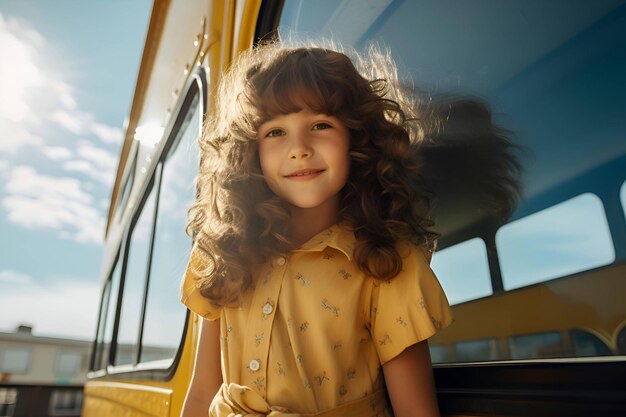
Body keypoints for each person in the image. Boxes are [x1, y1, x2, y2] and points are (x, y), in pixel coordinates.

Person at [180, 41, 453, 417]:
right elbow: (201, 394)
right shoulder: (225, 253)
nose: (299, 148)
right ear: (250, 151)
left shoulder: (389, 262)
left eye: (320, 125)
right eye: (275, 132)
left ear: (356, 139)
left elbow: (417, 413)